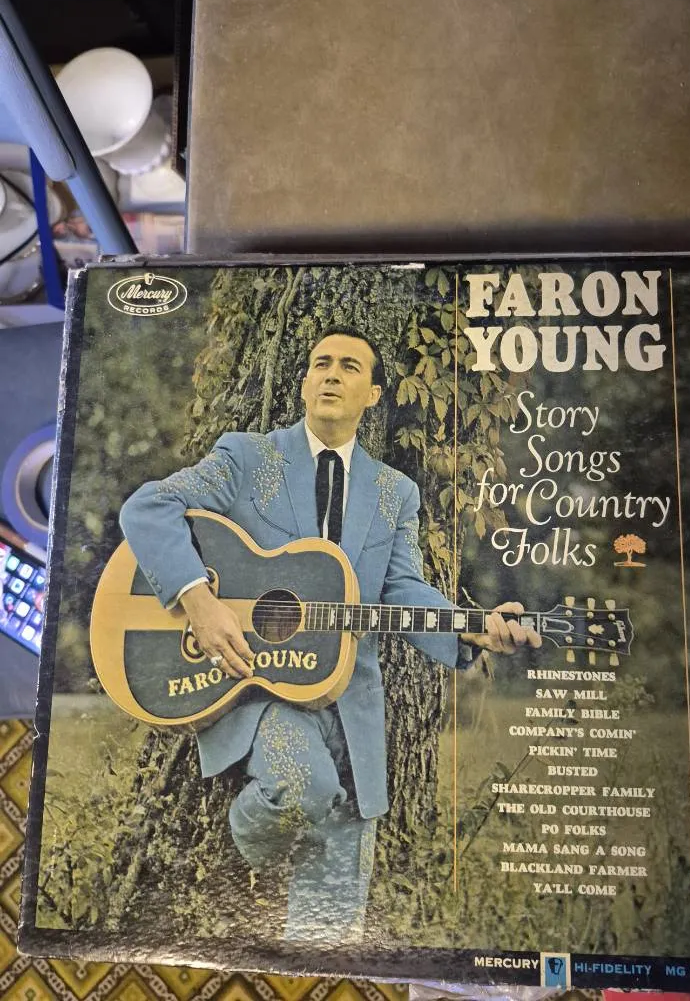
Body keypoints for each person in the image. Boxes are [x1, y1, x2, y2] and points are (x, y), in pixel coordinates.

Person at [120, 328, 540, 944]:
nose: (332, 375)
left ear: (373, 395)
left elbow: (403, 590)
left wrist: (473, 629)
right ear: (303, 383)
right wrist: (199, 600)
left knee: (331, 930)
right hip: (256, 687)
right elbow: (147, 507)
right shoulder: (248, 458)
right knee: (302, 788)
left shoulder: (396, 493)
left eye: (349, 366)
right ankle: (236, 858)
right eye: (321, 363)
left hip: (350, 705)